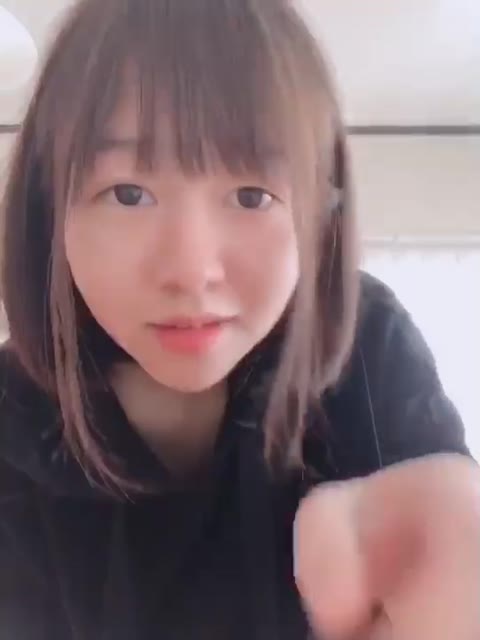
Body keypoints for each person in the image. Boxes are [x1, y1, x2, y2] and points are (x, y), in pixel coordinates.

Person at [0, 1, 478, 638]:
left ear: (319, 214)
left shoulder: (368, 345)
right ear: (50, 209)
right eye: (128, 194)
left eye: (252, 195)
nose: (192, 270)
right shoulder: (11, 414)